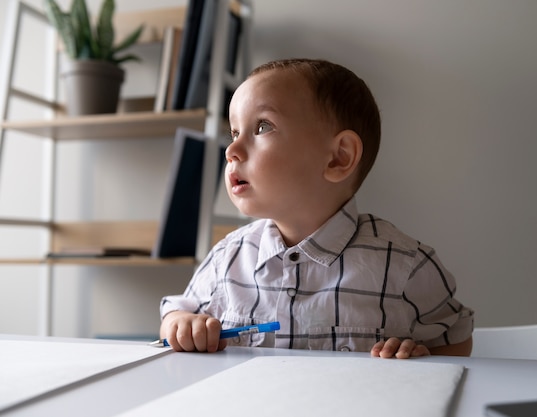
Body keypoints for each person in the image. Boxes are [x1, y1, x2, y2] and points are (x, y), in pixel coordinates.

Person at [160, 58, 474, 359]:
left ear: (339, 157)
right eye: (234, 133)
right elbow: (176, 313)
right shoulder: (226, 258)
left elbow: (455, 340)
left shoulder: (407, 267)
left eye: (262, 127)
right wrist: (181, 325)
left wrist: (422, 355)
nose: (231, 150)